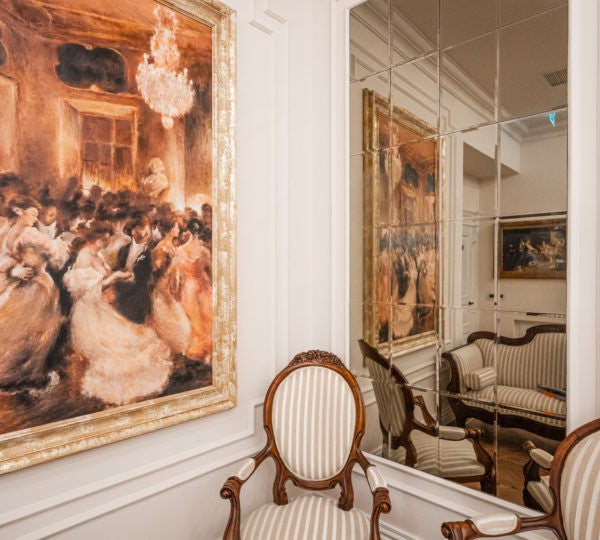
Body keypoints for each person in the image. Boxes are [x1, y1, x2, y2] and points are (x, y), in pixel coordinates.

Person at [64, 222, 172, 405]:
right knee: (114, 351)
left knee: (136, 338)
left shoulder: (96, 255)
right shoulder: (84, 256)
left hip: (101, 307)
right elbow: (82, 289)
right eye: (104, 238)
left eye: (108, 238)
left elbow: (103, 281)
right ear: (95, 238)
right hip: (88, 312)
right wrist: (114, 278)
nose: (106, 242)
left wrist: (118, 278)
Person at [0, 240, 60, 387]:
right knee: (10, 335)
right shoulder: (14, 262)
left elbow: (50, 312)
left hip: (36, 315)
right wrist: (12, 271)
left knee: (32, 341)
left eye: (44, 258)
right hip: (17, 305)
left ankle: (24, 374)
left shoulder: (45, 282)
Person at [114, 216, 155, 324]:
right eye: (141, 227)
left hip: (138, 298)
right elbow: (118, 268)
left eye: (149, 228)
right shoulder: (123, 250)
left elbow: (146, 278)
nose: (146, 231)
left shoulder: (149, 254)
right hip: (122, 295)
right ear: (132, 231)